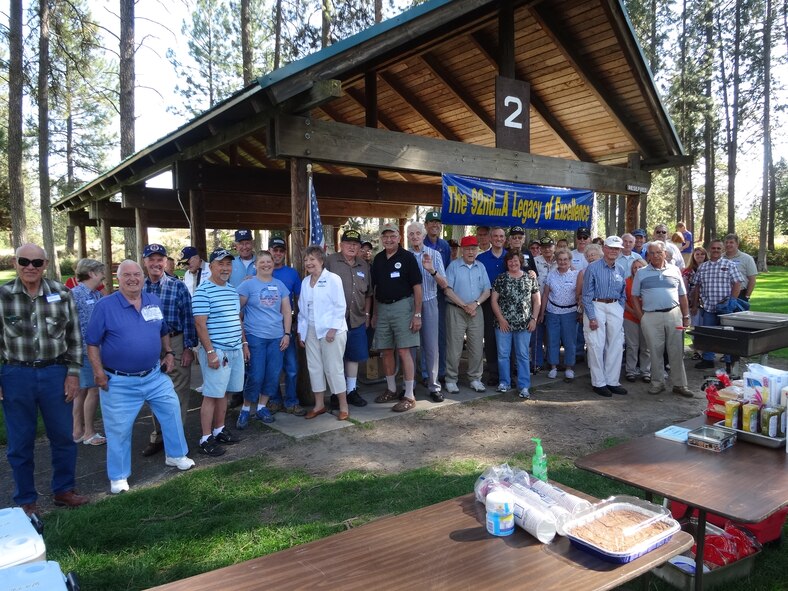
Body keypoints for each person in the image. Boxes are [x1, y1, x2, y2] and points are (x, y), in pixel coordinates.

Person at [86, 260, 195, 494]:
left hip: (154, 376)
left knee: (172, 410)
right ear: (118, 278)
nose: (133, 278)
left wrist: (168, 352)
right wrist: (98, 372)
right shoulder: (105, 306)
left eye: (137, 274)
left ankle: (176, 455)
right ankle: (118, 476)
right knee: (119, 430)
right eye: (127, 275)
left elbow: (163, 330)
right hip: (119, 381)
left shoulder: (152, 301)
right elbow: (92, 343)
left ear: (143, 277)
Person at [0, 244, 89, 514]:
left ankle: (64, 490)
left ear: (46, 264)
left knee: (63, 436)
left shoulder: (61, 293)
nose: (30, 267)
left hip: (55, 373)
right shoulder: (3, 295)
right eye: (24, 261)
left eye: (36, 262)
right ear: (16, 263)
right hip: (16, 374)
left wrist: (73, 374)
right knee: (20, 441)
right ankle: (25, 499)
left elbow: (74, 338)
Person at [141, 243, 198, 458]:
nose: (156, 263)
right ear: (145, 262)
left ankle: (176, 439)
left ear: (166, 262)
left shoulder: (177, 286)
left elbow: (188, 319)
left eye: (160, 259)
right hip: (148, 345)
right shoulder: (139, 287)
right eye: (151, 259)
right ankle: (159, 436)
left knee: (178, 392)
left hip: (175, 341)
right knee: (153, 392)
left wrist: (187, 348)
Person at [193, 248, 246, 456]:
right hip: (218, 351)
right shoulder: (203, 291)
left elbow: (237, 320)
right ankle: (206, 438)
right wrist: (210, 352)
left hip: (234, 349)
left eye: (228, 264)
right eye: (220, 264)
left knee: (223, 392)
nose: (225, 268)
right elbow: (200, 325)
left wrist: (244, 343)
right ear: (211, 267)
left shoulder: (232, 290)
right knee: (211, 395)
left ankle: (219, 429)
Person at [236, 251, 292, 428]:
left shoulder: (280, 285)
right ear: (256, 265)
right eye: (262, 262)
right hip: (255, 337)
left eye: (269, 262)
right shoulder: (248, 285)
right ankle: (245, 409)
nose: (266, 265)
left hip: (277, 337)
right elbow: (237, 312)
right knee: (256, 374)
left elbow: (286, 311)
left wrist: (287, 333)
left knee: (273, 374)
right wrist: (243, 339)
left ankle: (261, 407)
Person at [370, 224, 423, 412]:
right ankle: (391, 389)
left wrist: (417, 314)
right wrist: (375, 313)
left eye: (392, 236)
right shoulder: (377, 259)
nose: (389, 240)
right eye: (385, 237)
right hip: (383, 308)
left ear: (399, 237)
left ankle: (409, 394)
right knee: (386, 350)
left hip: (403, 307)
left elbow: (417, 287)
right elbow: (375, 289)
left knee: (404, 351)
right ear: (381, 239)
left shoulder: (407, 258)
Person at [631, 241, 694, 398]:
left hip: (674, 315)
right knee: (654, 351)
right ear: (648, 255)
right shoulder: (641, 272)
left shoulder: (674, 270)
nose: (655, 256)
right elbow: (634, 296)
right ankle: (657, 383)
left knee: (677, 351)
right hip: (651, 316)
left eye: (658, 252)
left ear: (665, 253)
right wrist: (642, 317)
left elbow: (683, 295)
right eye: (651, 253)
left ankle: (680, 385)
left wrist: (686, 316)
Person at [298, 246, 349, 420]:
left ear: (321, 260)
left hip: (331, 331)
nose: (308, 263)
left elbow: (340, 305)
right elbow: (302, 310)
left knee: (334, 368)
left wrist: (333, 329)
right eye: (306, 260)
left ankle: (343, 406)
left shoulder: (333, 279)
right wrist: (301, 331)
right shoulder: (305, 282)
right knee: (314, 367)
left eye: (312, 259)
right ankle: (319, 405)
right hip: (311, 330)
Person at [325, 229, 372, 408]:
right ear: (341, 245)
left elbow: (368, 293)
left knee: (353, 357)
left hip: (357, 319)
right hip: (334, 321)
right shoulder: (330, 262)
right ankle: (337, 393)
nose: (352, 247)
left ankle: (351, 390)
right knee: (336, 358)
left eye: (356, 244)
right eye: (348, 243)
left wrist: (367, 314)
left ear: (359, 247)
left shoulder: (363, 265)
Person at [581, 236, 627, 398]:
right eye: (611, 248)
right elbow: (586, 294)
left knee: (616, 344)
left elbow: (623, 292)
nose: (614, 251)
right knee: (596, 345)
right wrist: (592, 316)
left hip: (614, 305)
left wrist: (619, 308)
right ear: (605, 249)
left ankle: (612, 381)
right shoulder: (593, 268)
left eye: (617, 249)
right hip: (596, 305)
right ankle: (599, 383)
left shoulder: (620, 269)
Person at [406, 222, 448, 401]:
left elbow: (444, 284)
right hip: (408, 305)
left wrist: (431, 270)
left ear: (423, 236)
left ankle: (433, 386)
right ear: (407, 237)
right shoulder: (405, 256)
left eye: (418, 233)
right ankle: (409, 385)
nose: (415, 236)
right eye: (411, 234)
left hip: (430, 302)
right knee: (409, 347)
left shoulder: (435, 254)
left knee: (431, 346)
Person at [444, 236, 491, 394]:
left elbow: (487, 290)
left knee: (477, 346)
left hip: (476, 310)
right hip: (456, 309)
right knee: (454, 347)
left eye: (473, 248)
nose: (471, 252)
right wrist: (464, 305)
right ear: (462, 251)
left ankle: (475, 379)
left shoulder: (481, 266)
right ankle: (451, 379)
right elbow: (447, 290)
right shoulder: (453, 266)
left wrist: (475, 304)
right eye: (468, 249)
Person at [491, 251, 541, 399]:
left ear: (521, 262)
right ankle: (504, 382)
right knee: (503, 355)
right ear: (506, 263)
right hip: (503, 324)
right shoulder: (501, 279)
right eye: (510, 261)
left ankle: (524, 386)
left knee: (523, 355)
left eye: (516, 261)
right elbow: (494, 300)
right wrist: (500, 319)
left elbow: (537, 301)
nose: (513, 263)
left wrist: (534, 319)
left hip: (524, 324)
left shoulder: (530, 278)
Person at [691, 239, 745, 370]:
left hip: (726, 308)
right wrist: (694, 304)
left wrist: (733, 300)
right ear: (709, 249)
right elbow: (697, 286)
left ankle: (728, 361)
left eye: (718, 248)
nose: (715, 250)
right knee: (709, 335)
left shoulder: (729, 265)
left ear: (723, 250)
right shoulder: (703, 266)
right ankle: (708, 359)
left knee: (727, 336)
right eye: (713, 248)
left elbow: (738, 283)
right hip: (709, 307)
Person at [70, 258, 107, 446]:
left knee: (83, 392)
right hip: (84, 352)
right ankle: (88, 432)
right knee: (92, 391)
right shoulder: (74, 294)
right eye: (100, 272)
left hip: (92, 350)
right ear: (92, 273)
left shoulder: (97, 295)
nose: (103, 276)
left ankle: (77, 431)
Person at [270, 236, 304, 415]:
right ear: (269, 251)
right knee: (273, 367)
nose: (277, 253)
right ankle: (275, 400)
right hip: (267, 327)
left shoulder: (291, 273)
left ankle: (292, 401)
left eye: (281, 250)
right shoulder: (261, 271)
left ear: (285, 253)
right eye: (274, 250)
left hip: (287, 325)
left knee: (291, 367)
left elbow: (299, 299)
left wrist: (298, 322)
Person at [539, 248, 579, 383]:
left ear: (569, 260)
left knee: (569, 341)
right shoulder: (551, 275)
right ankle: (553, 366)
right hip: (552, 312)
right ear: (556, 261)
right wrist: (542, 312)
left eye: (565, 259)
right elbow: (545, 294)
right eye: (560, 259)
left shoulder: (576, 274)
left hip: (570, 312)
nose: (562, 262)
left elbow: (580, 294)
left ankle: (569, 367)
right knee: (552, 340)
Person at [477, 226, 507, 386]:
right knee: (490, 338)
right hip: (487, 304)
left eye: (501, 236)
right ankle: (493, 373)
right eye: (495, 236)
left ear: (505, 239)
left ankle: (507, 372)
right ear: (490, 238)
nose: (498, 239)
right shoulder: (481, 258)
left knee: (507, 337)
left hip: (508, 305)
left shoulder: (510, 257)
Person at [423, 211, 450, 380]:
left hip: (440, 295)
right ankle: (426, 373)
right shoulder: (420, 242)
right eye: (431, 222)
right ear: (426, 225)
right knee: (425, 336)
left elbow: (445, 271)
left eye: (437, 222)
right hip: (424, 294)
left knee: (441, 334)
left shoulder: (444, 246)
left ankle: (440, 371)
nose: (435, 225)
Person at [623, 258, 651, 383]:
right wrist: (633, 311)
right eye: (635, 267)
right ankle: (631, 371)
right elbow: (622, 300)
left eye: (640, 267)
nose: (637, 269)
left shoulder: (649, 281)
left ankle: (646, 371)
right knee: (632, 346)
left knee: (646, 347)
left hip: (647, 317)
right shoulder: (627, 282)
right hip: (630, 316)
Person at [683, 246, 708, 359]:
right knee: (695, 326)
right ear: (693, 256)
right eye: (697, 254)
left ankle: (706, 350)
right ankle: (697, 351)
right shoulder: (688, 271)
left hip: (707, 301)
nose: (699, 256)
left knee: (705, 326)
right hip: (693, 302)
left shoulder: (709, 268)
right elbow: (684, 288)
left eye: (702, 254)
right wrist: (691, 303)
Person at [724, 233, 757, 301]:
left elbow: (752, 279)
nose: (728, 245)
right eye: (726, 242)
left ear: (737, 244)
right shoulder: (720, 258)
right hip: (722, 295)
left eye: (731, 242)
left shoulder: (747, 258)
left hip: (740, 294)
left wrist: (747, 296)